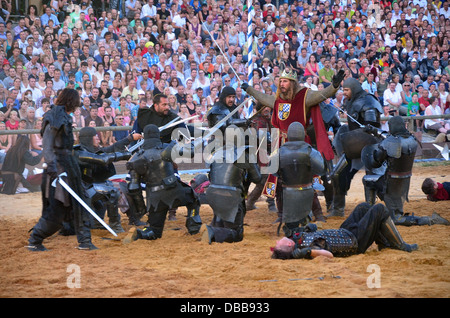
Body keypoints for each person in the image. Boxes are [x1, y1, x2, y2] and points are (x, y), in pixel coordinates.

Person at [242, 68, 344, 226]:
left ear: (293, 83)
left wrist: (334, 86)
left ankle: (318, 213)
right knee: (278, 180)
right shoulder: (278, 100)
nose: (281, 84)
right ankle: (282, 214)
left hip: (300, 143)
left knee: (306, 179)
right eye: (280, 81)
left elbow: (322, 95)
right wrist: (249, 89)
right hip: (281, 143)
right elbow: (263, 97)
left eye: (285, 81)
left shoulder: (305, 97)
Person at [27, 88, 97, 251]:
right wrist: (54, 169)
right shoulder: (54, 116)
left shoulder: (64, 115)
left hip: (68, 165)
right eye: (77, 100)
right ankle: (35, 239)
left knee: (81, 202)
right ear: (71, 100)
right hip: (58, 167)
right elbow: (48, 145)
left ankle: (85, 241)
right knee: (58, 209)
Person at [362, 116, 449, 227]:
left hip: (390, 183)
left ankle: (430, 220)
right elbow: (393, 138)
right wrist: (374, 130)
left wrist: (370, 155)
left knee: (368, 180)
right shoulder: (412, 139)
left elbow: (376, 163)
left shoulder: (390, 142)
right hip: (404, 181)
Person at [123, 124, 203, 242]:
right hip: (174, 190)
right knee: (194, 200)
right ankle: (194, 227)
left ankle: (139, 234)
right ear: (158, 136)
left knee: (154, 230)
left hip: (155, 198)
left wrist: (142, 208)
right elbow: (191, 152)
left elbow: (133, 187)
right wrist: (195, 141)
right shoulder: (167, 148)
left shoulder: (136, 158)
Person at [271, 203, 418, 260]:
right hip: (355, 242)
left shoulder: (297, 241)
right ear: (288, 246)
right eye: (279, 244)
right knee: (379, 209)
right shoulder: (307, 249)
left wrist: (308, 228)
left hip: (344, 232)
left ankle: (384, 243)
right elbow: (328, 255)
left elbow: (310, 231)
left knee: (363, 207)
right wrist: (309, 252)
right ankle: (401, 245)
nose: (277, 241)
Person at [328, 77, 383, 217]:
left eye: (346, 90)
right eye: (343, 90)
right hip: (353, 146)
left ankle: (370, 208)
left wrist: (368, 126)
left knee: (371, 178)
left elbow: (373, 126)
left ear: (354, 88)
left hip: (370, 147)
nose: (344, 93)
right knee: (337, 174)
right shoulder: (349, 101)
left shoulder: (368, 100)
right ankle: (338, 209)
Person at [74, 127, 142, 234]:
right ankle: (115, 225)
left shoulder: (93, 150)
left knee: (108, 185)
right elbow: (103, 159)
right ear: (88, 138)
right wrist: (122, 155)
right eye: (95, 136)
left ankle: (98, 222)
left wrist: (129, 139)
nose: (97, 138)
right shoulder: (79, 152)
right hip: (81, 191)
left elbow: (112, 148)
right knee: (111, 191)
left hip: (89, 188)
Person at [201, 125, 262, 244]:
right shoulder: (244, 154)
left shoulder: (215, 153)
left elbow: (212, 176)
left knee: (225, 223)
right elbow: (257, 179)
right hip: (231, 197)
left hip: (213, 195)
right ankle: (212, 231)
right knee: (237, 235)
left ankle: (215, 227)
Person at [275, 122, 325, 237]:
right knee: (304, 225)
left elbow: (274, 171)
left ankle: (291, 229)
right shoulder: (310, 151)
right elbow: (320, 169)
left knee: (292, 226)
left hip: (287, 192)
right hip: (306, 190)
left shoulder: (279, 152)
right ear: (303, 134)